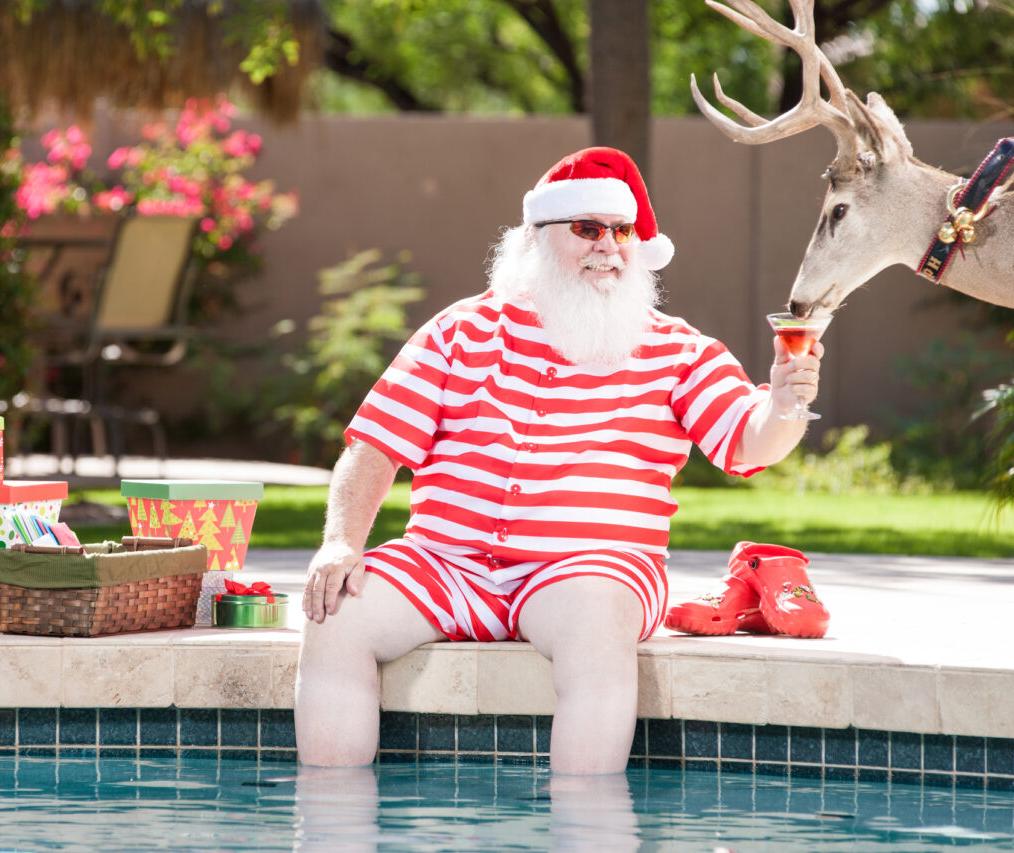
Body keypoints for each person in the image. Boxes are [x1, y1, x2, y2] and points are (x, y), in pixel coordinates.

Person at [294, 147, 824, 774]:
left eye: (622, 231)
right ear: (537, 241)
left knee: (598, 623)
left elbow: (746, 441)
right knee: (336, 616)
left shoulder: (678, 349)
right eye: (588, 228)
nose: (609, 245)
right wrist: (339, 544)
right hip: (446, 562)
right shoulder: (459, 331)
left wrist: (787, 404)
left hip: (588, 570)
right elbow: (375, 445)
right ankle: (330, 825)